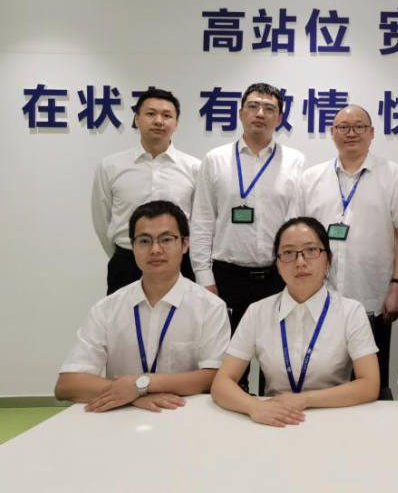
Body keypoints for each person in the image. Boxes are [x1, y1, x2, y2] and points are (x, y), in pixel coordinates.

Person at [56, 200, 230, 412]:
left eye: (166, 239)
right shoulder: (107, 308)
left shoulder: (211, 307)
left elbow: (214, 377)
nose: (155, 249)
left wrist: (140, 385)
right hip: (121, 416)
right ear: (133, 246)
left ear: (185, 244)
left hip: (185, 414)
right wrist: (133, 395)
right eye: (144, 241)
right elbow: (67, 384)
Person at [189, 82, 306, 393]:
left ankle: (274, 416)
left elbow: (296, 224)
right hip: (227, 278)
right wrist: (204, 278)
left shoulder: (295, 160)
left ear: (279, 118)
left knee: (277, 364)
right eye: (253, 106)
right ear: (241, 113)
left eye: (269, 108)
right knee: (228, 365)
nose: (260, 113)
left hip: (277, 278)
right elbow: (201, 220)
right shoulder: (215, 159)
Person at [211, 217, 380, 427]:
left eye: (311, 250)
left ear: (328, 260)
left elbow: (370, 385)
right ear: (278, 265)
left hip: (334, 420)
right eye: (289, 253)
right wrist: (254, 407)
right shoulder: (258, 312)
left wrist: (304, 400)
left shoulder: (351, 312)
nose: (300, 262)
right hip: (274, 421)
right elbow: (221, 383)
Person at [290, 104, 398, 386]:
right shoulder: (311, 178)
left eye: (359, 126)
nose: (351, 133)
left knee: (371, 380)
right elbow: (297, 235)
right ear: (332, 132)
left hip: (371, 295)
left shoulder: (393, 174)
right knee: (319, 376)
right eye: (343, 127)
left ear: (372, 133)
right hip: (317, 296)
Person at [91, 88, 200, 294]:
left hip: (180, 264)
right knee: (122, 315)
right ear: (137, 119)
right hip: (127, 263)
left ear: (176, 123)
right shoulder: (110, 167)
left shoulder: (195, 168)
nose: (159, 121)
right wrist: (131, 250)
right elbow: (102, 221)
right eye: (150, 114)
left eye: (167, 115)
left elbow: (199, 222)